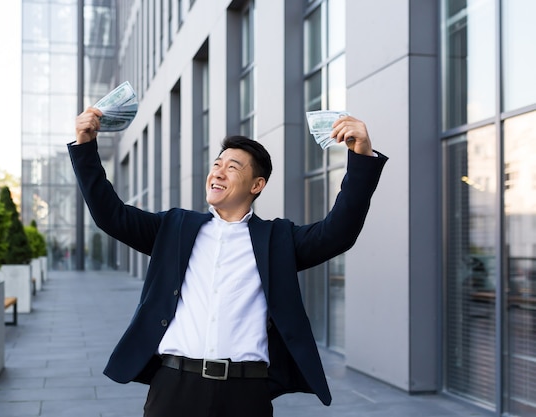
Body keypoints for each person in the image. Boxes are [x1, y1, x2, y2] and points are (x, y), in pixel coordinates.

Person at [69, 107, 388, 417]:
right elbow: (110, 215)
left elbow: (338, 233)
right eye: (217, 164)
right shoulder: (174, 229)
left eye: (233, 167)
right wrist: (86, 148)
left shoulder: (277, 239)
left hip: (245, 393)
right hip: (174, 388)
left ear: (256, 185)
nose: (218, 171)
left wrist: (361, 157)